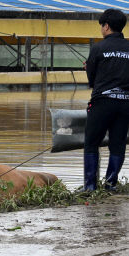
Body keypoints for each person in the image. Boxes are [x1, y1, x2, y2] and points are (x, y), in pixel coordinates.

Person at [84, 8, 129, 191]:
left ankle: (90, 187)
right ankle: (111, 185)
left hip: (102, 102)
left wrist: (89, 69)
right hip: (126, 103)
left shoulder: (98, 48)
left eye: (102, 25)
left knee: (92, 143)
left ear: (107, 26)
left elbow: (92, 79)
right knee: (118, 144)